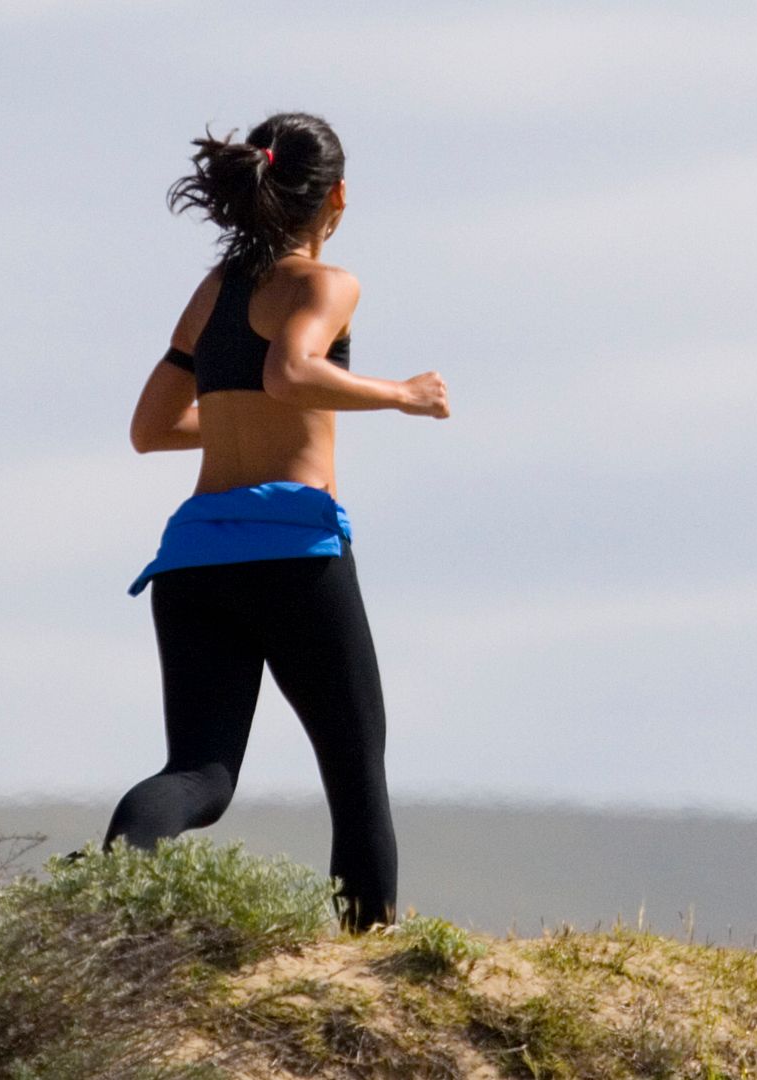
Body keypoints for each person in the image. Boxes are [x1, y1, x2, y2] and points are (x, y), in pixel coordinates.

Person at [99, 111, 449, 933]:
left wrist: (233, 425)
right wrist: (404, 394)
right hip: (294, 552)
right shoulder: (325, 284)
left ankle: (111, 887)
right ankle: (371, 961)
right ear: (337, 197)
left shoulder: (215, 292)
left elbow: (150, 430)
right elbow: (291, 372)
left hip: (192, 562)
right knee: (356, 767)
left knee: (200, 777)